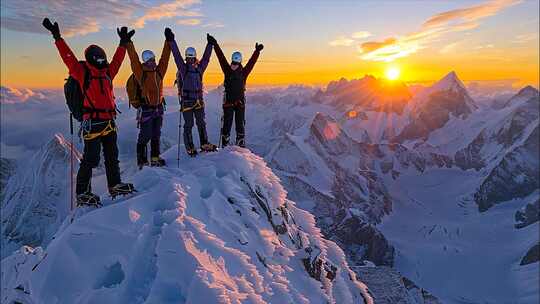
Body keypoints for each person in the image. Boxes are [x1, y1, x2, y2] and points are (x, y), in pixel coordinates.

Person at [42, 18, 135, 206]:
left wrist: (123, 44)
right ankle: (84, 192)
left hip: (104, 122)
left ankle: (111, 185)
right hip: (97, 122)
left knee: (109, 156)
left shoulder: (104, 72)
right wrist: (57, 37)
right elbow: (68, 57)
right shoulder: (84, 72)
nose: (101, 60)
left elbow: (117, 60)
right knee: (93, 158)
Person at [125, 27, 172, 168]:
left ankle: (155, 158)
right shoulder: (141, 74)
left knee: (156, 134)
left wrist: (168, 42)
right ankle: (142, 161)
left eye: (153, 59)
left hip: (158, 108)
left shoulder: (158, 72)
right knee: (145, 135)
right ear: (145, 61)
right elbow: (133, 60)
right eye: (150, 60)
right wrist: (128, 43)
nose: (154, 61)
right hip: (146, 108)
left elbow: (165, 58)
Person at [207, 35, 263, 147]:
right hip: (240, 103)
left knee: (227, 124)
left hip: (228, 102)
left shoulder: (227, 70)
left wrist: (215, 44)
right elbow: (252, 63)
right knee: (240, 124)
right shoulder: (243, 72)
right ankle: (240, 142)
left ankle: (225, 142)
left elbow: (221, 57)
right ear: (240, 60)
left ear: (232, 59)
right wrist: (257, 51)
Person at [169, 31, 216, 156]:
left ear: (194, 57)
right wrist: (171, 41)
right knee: (190, 124)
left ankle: (202, 144)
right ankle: (192, 146)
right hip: (191, 101)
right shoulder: (185, 69)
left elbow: (206, 58)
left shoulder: (197, 69)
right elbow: (176, 56)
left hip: (193, 101)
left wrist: (210, 45)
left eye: (191, 57)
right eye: (189, 58)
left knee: (200, 123)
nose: (190, 60)